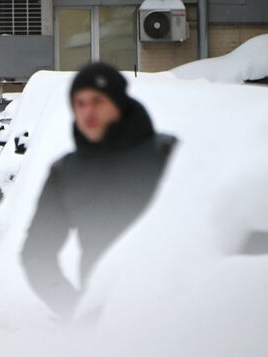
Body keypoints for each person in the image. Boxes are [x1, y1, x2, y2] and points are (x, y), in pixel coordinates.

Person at [21, 62, 177, 319]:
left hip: (174, 312)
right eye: (79, 104)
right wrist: (77, 311)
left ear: (119, 103)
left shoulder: (167, 155)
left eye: (98, 101)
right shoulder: (66, 172)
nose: (88, 112)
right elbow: (36, 254)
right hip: (106, 322)